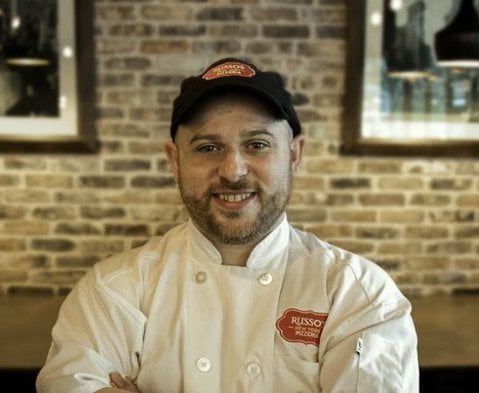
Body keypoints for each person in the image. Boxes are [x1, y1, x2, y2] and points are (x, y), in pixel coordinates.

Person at [36, 58, 419, 393]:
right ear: (175, 160)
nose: (233, 170)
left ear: (294, 154)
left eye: (257, 144)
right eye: (207, 148)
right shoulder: (113, 291)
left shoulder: (358, 295)